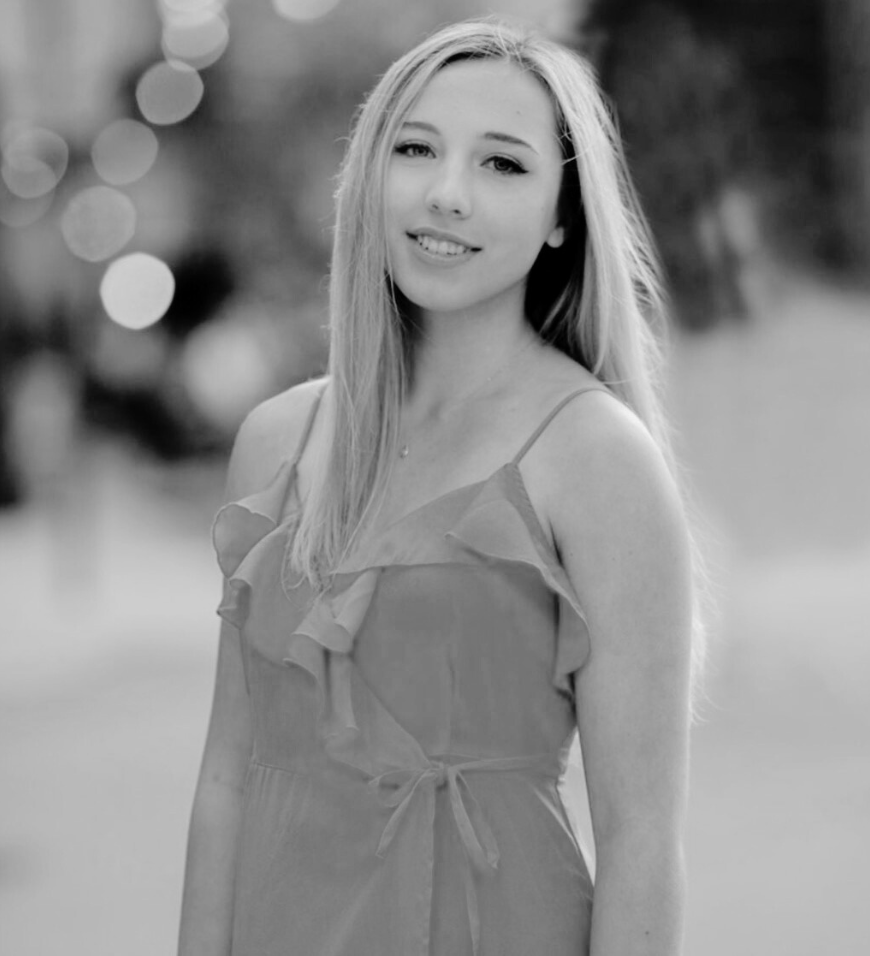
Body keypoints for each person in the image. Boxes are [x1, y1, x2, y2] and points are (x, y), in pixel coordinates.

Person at [178, 16, 703, 956]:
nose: (447, 194)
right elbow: (226, 778)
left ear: (561, 217)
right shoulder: (275, 442)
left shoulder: (597, 458)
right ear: (369, 177)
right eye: (415, 148)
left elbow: (641, 842)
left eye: (503, 164)